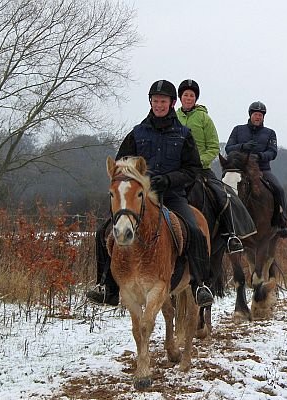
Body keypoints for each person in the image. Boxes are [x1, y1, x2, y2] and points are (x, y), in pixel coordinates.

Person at [86, 79, 213, 307]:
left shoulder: (183, 134)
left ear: (172, 103)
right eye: (155, 101)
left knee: (195, 231)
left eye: (163, 101)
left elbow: (192, 170)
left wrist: (168, 180)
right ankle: (107, 287)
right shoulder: (137, 133)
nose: (159, 105)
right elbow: (121, 165)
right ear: (150, 102)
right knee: (103, 232)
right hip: (139, 197)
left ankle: (199, 285)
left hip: (172, 195)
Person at [176, 79, 247, 254]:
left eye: (192, 95)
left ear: (195, 98)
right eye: (185, 95)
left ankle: (230, 235)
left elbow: (214, 146)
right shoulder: (174, 117)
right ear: (180, 97)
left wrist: (199, 161)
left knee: (221, 194)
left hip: (201, 169)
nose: (188, 98)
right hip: (177, 168)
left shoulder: (204, 118)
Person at [225, 101, 287, 237]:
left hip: (262, 169)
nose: (258, 117)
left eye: (260, 115)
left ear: (263, 117)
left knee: (279, 189)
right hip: (240, 169)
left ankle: (282, 222)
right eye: (255, 114)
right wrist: (242, 147)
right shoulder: (238, 130)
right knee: (223, 186)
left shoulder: (270, 133)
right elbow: (228, 148)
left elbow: (273, 152)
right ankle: (222, 221)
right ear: (250, 115)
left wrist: (260, 156)